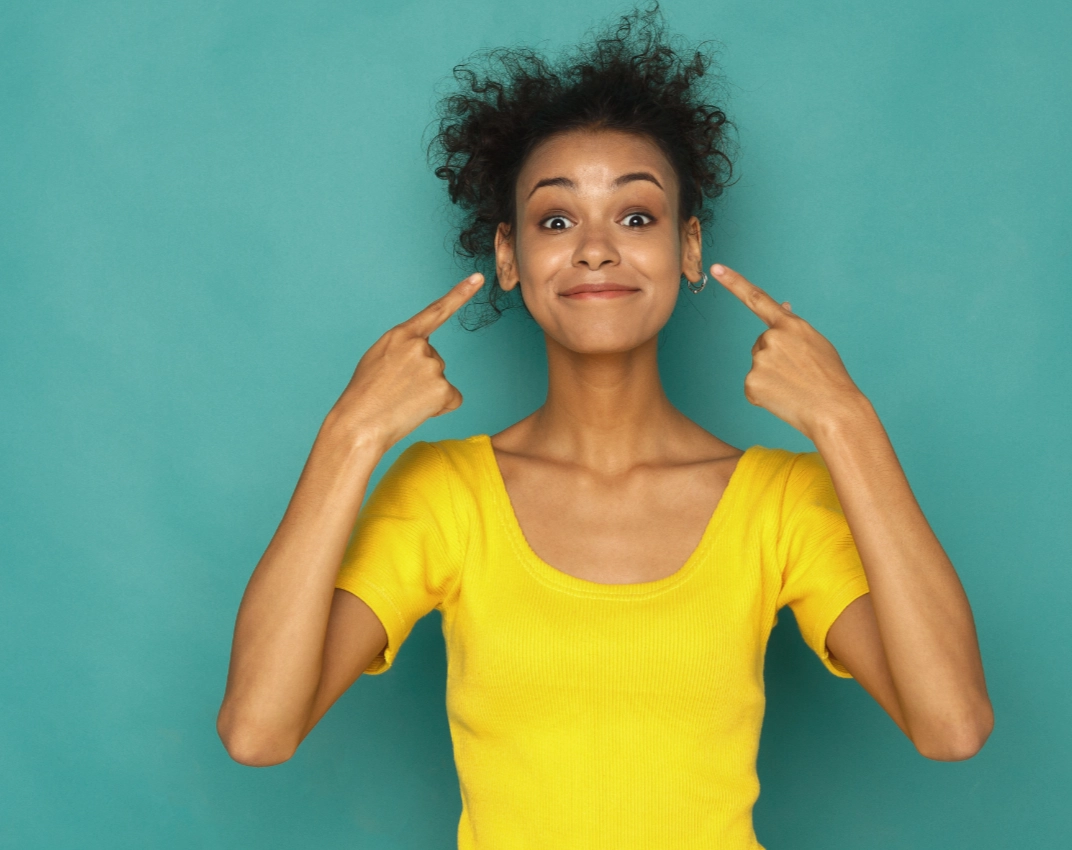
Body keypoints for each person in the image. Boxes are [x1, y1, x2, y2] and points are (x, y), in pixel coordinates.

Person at [217, 4, 992, 847]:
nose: (594, 248)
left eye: (635, 216)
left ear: (689, 249)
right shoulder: (446, 495)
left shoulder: (778, 502)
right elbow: (259, 731)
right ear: (508, 258)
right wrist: (350, 436)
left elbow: (950, 726)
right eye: (556, 220)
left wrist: (848, 424)